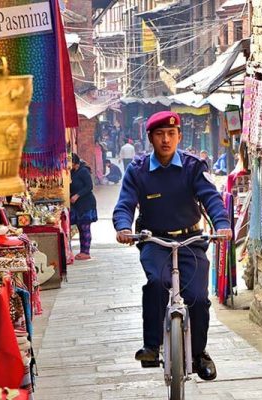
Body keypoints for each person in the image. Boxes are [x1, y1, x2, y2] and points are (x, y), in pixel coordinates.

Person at [113, 111, 233, 381]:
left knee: (198, 299)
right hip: (154, 241)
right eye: (159, 134)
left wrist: (222, 224)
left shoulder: (193, 167)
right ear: (150, 138)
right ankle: (152, 346)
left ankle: (199, 352)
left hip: (191, 240)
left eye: (171, 134)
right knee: (156, 282)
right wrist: (122, 227)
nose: (166, 140)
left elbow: (211, 198)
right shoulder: (138, 170)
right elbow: (125, 204)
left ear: (179, 136)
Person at [70, 154, 98, 260]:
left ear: (74, 163)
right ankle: (82, 251)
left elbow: (89, 186)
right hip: (77, 205)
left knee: (85, 228)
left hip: (86, 204)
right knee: (80, 228)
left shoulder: (83, 171)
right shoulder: (72, 172)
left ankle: (86, 252)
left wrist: (77, 195)